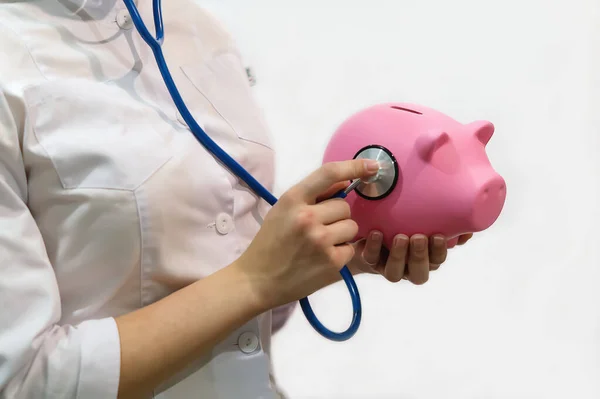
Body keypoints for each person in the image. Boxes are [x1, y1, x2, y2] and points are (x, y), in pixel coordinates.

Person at [0, 1, 472, 398]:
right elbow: (23, 380)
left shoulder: (197, 30)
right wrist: (255, 281)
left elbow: (224, 283)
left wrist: (337, 252)